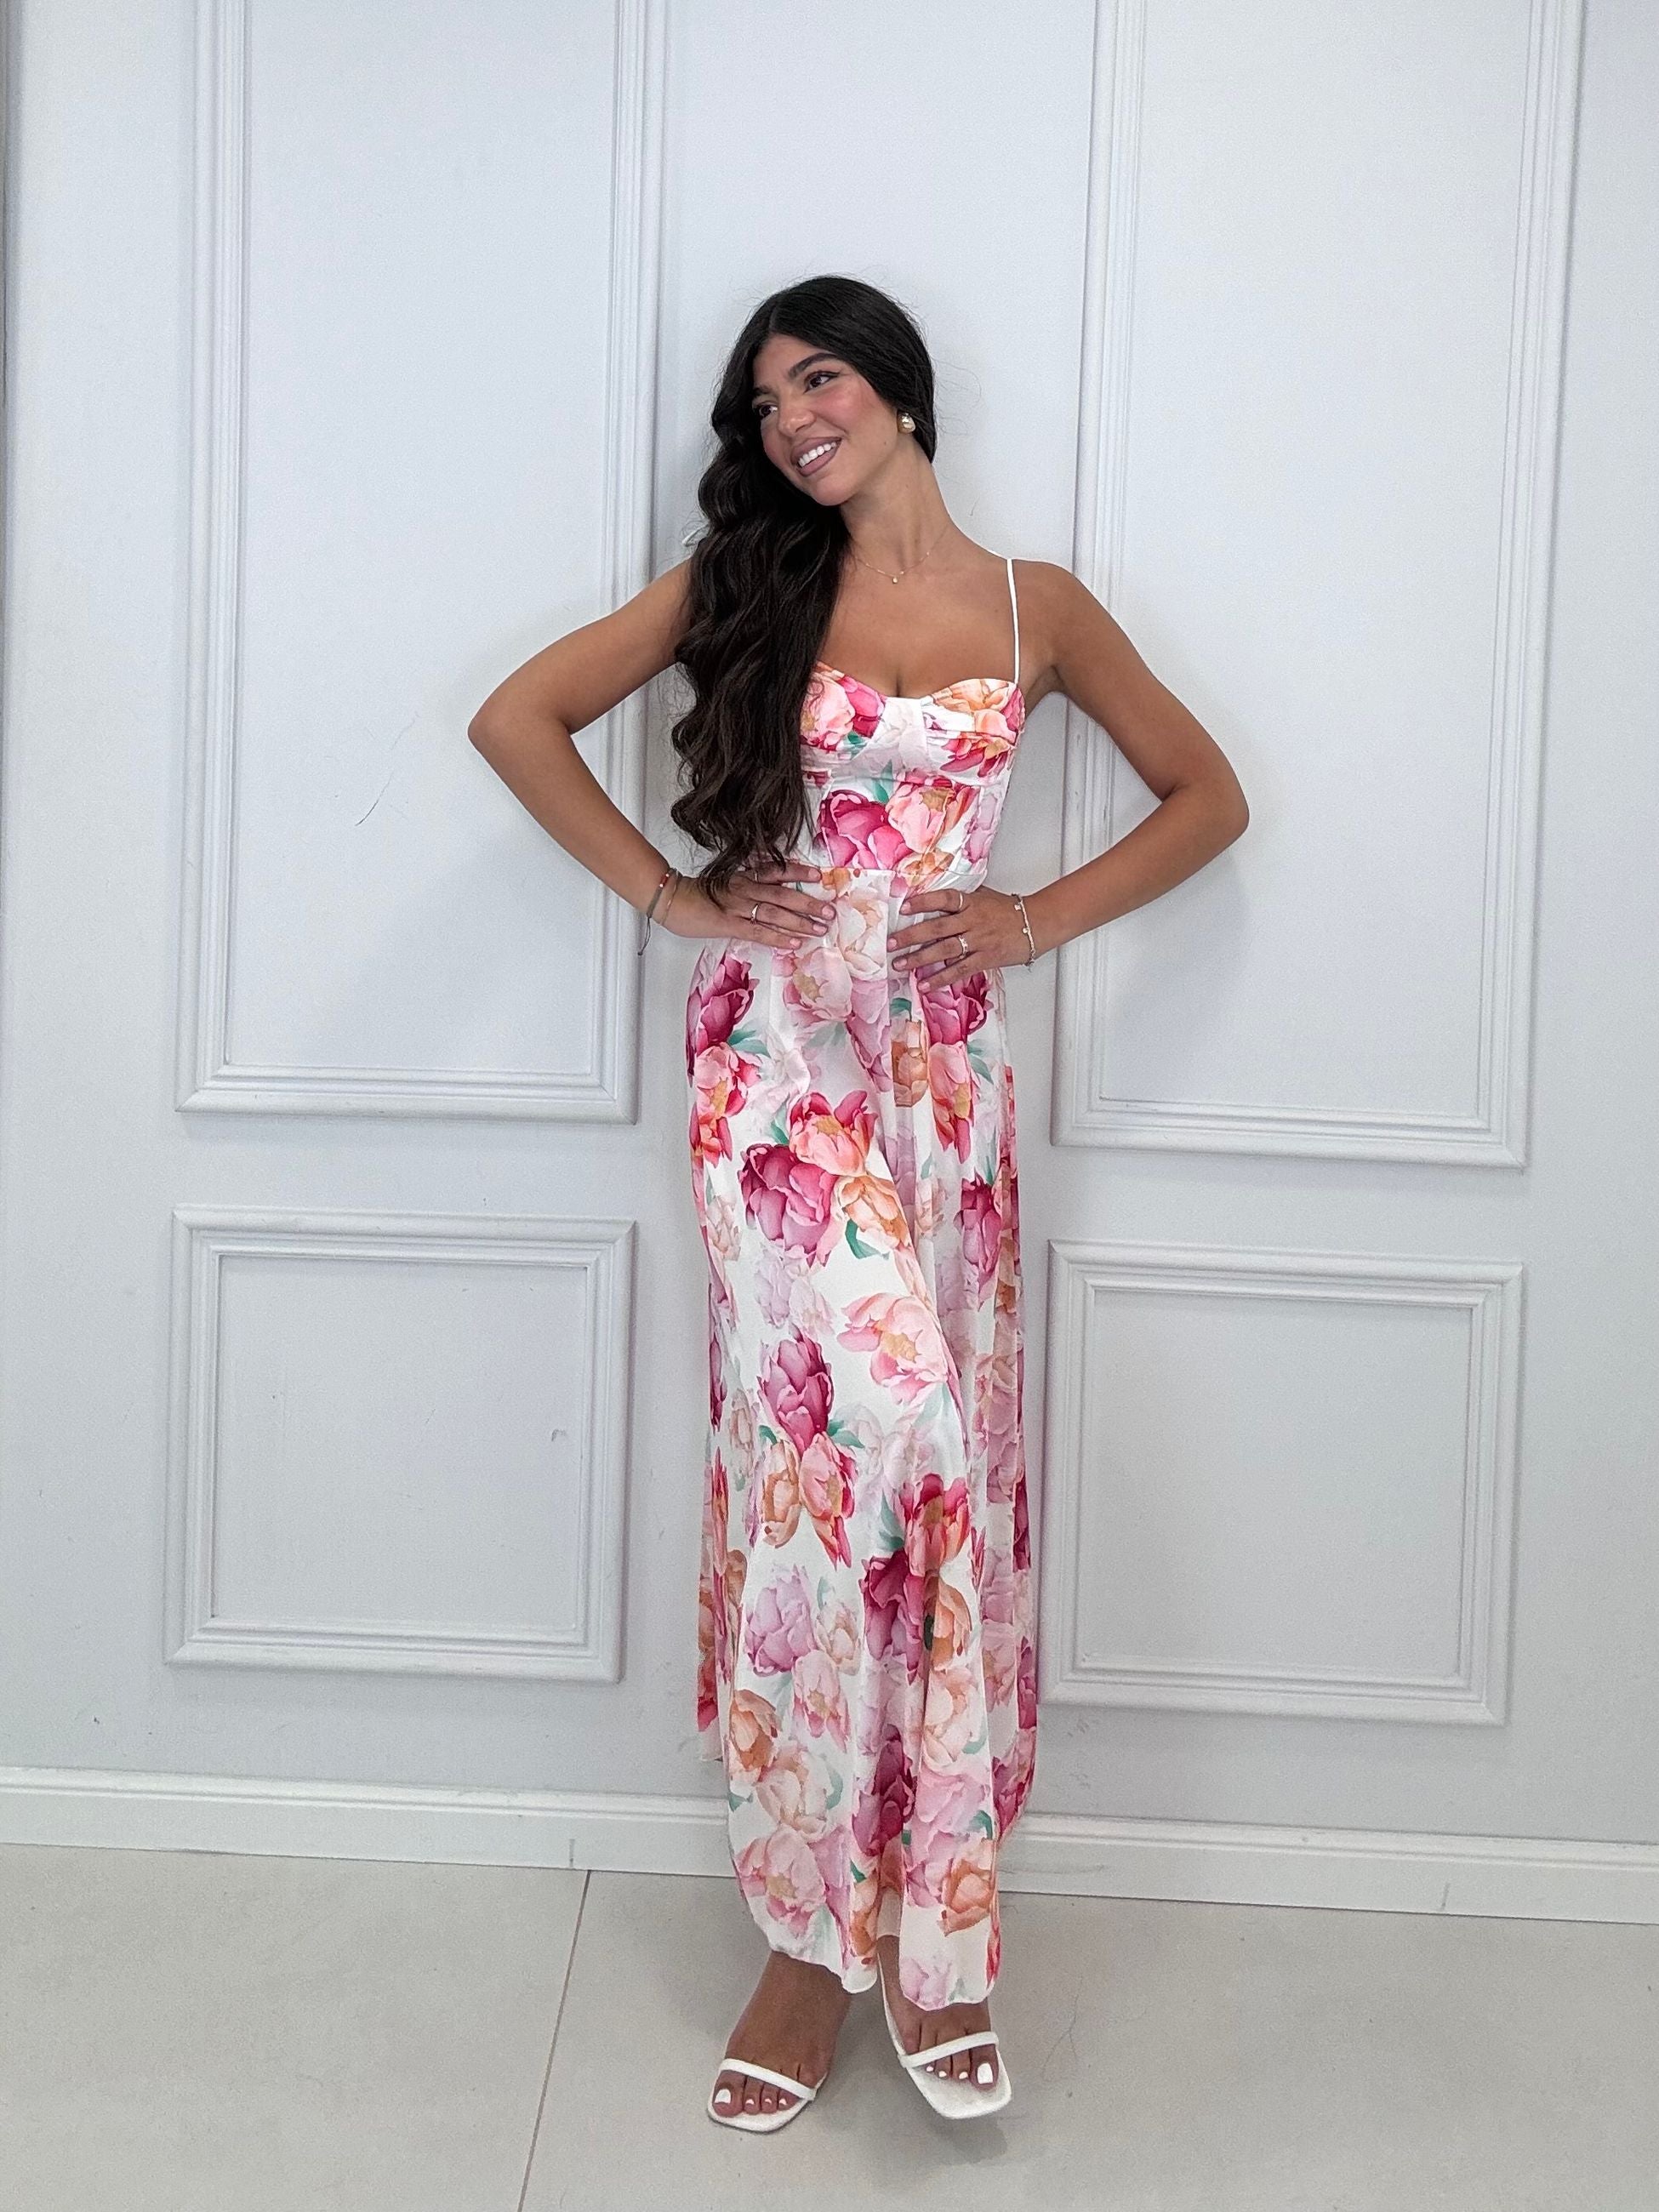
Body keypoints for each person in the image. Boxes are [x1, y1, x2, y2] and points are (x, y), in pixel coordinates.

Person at [468, 273, 1249, 2131]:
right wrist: (675, 900)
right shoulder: (745, 584)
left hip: (948, 1075)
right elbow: (517, 718)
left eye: (817, 378)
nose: (792, 419)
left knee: (926, 1466)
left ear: (897, 386)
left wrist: (1030, 917)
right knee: (856, 1440)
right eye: (764, 403)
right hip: (776, 1065)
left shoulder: (1036, 608)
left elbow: (1207, 796)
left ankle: (927, 1918)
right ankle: (810, 1938)